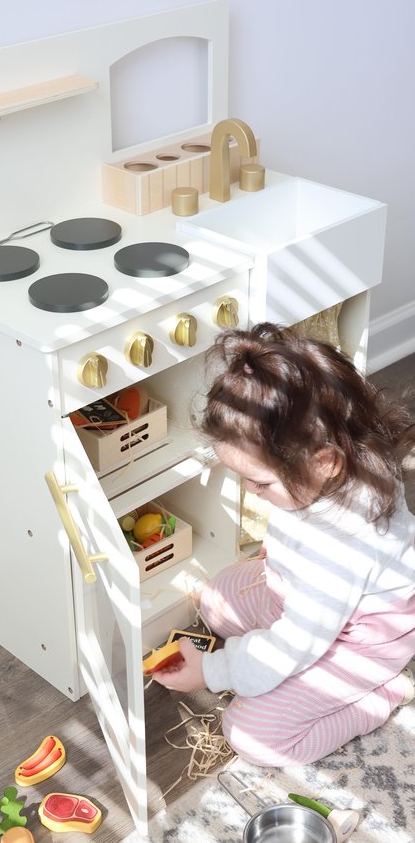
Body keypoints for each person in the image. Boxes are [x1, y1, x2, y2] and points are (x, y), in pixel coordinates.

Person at [153, 322, 415, 766]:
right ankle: (274, 653)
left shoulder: (340, 547)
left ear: (326, 462)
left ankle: (381, 693)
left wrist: (213, 672)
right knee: (217, 600)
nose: (252, 492)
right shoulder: (338, 454)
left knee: (252, 735)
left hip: (361, 642)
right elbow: (298, 541)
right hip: (311, 601)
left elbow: (296, 641)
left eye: (259, 482)